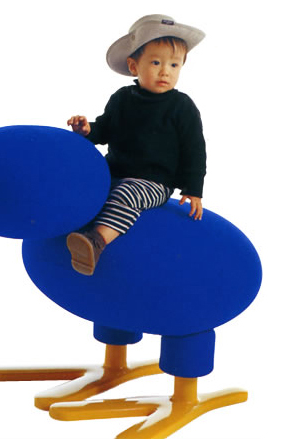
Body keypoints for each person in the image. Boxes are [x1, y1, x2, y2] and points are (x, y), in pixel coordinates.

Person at [66, 14, 207, 276]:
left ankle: (96, 241)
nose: (165, 71)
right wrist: (86, 130)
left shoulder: (182, 107)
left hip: (154, 182)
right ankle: (66, 228)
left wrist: (193, 189)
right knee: (87, 185)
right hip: (113, 173)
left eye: (174, 65)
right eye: (156, 62)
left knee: (127, 195)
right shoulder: (122, 98)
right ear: (134, 66)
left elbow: (194, 150)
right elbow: (105, 129)